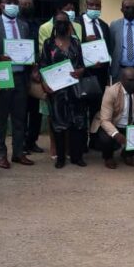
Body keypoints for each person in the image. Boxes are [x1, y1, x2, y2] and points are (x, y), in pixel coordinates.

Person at [0, 0, 34, 168]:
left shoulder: (24, 25)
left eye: (15, 2)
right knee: (0, 120)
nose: (13, 4)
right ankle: (1, 155)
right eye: (8, 2)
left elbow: (27, 49)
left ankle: (18, 153)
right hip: (2, 77)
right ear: (1, 5)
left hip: (20, 77)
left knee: (20, 118)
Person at [39, 11, 88, 169]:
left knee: (78, 123)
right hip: (57, 91)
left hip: (75, 89)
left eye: (64, 23)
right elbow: (43, 66)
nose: (61, 25)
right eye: (58, 22)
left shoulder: (76, 43)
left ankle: (77, 156)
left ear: (69, 25)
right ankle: (60, 157)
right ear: (54, 25)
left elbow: (82, 64)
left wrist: (80, 71)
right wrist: (44, 84)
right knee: (59, 124)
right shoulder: (48, 43)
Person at [92, 67, 134, 169]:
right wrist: (116, 134)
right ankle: (108, 157)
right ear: (122, 80)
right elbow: (105, 120)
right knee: (106, 139)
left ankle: (127, 154)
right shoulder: (111, 91)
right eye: (130, 80)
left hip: (131, 124)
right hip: (113, 123)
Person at [77, 0, 112, 150]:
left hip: (101, 73)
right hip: (84, 73)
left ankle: (94, 139)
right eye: (92, 5)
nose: (95, 8)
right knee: (81, 108)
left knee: (97, 109)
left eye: (98, 6)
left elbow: (108, 48)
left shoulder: (104, 25)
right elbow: (73, 47)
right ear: (86, 5)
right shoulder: (77, 23)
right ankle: (81, 142)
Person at [19, 0, 46, 156]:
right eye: (23, 4)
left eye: (29, 3)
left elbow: (41, 48)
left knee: (36, 111)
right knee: (21, 111)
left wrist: (37, 67)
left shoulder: (38, 25)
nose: (27, 6)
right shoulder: (15, 25)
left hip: (36, 71)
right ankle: (20, 143)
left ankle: (32, 141)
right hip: (20, 72)